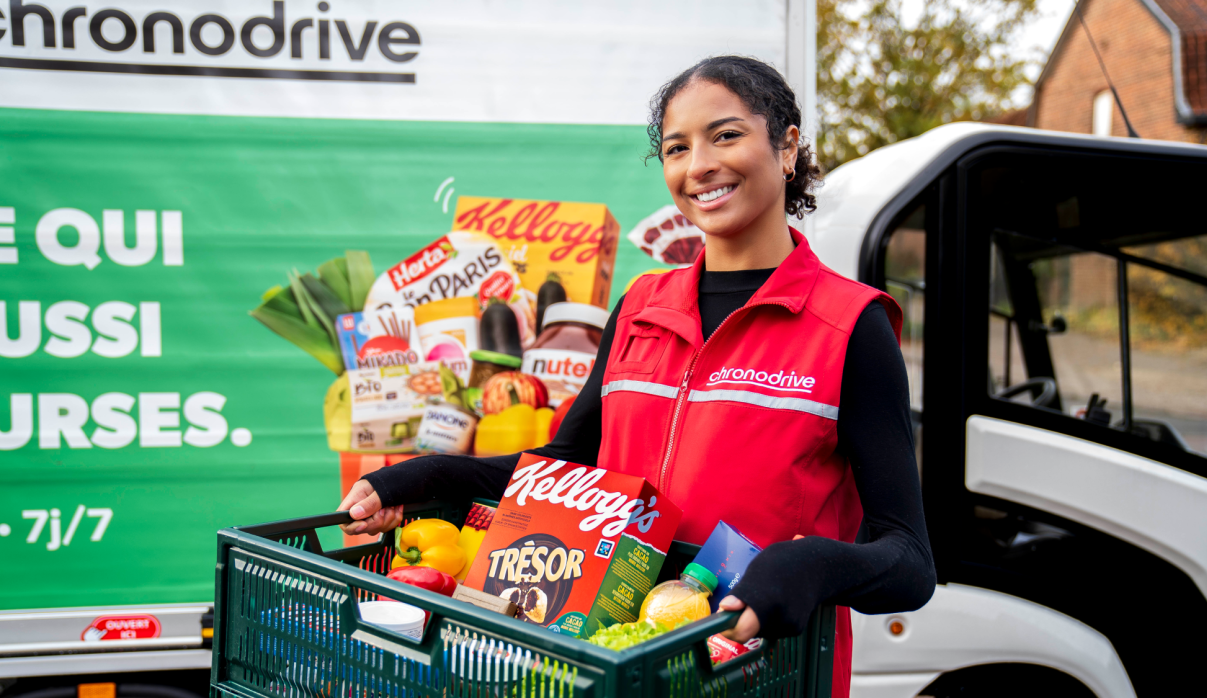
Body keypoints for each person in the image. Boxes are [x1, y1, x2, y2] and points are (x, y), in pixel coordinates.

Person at [339, 55, 935, 697]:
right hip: (609, 662)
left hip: (760, 672)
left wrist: (812, 565)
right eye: (677, 148)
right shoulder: (640, 309)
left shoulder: (850, 325)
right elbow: (559, 467)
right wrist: (428, 474)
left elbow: (908, 562)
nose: (699, 164)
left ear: (787, 146)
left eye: (726, 135)